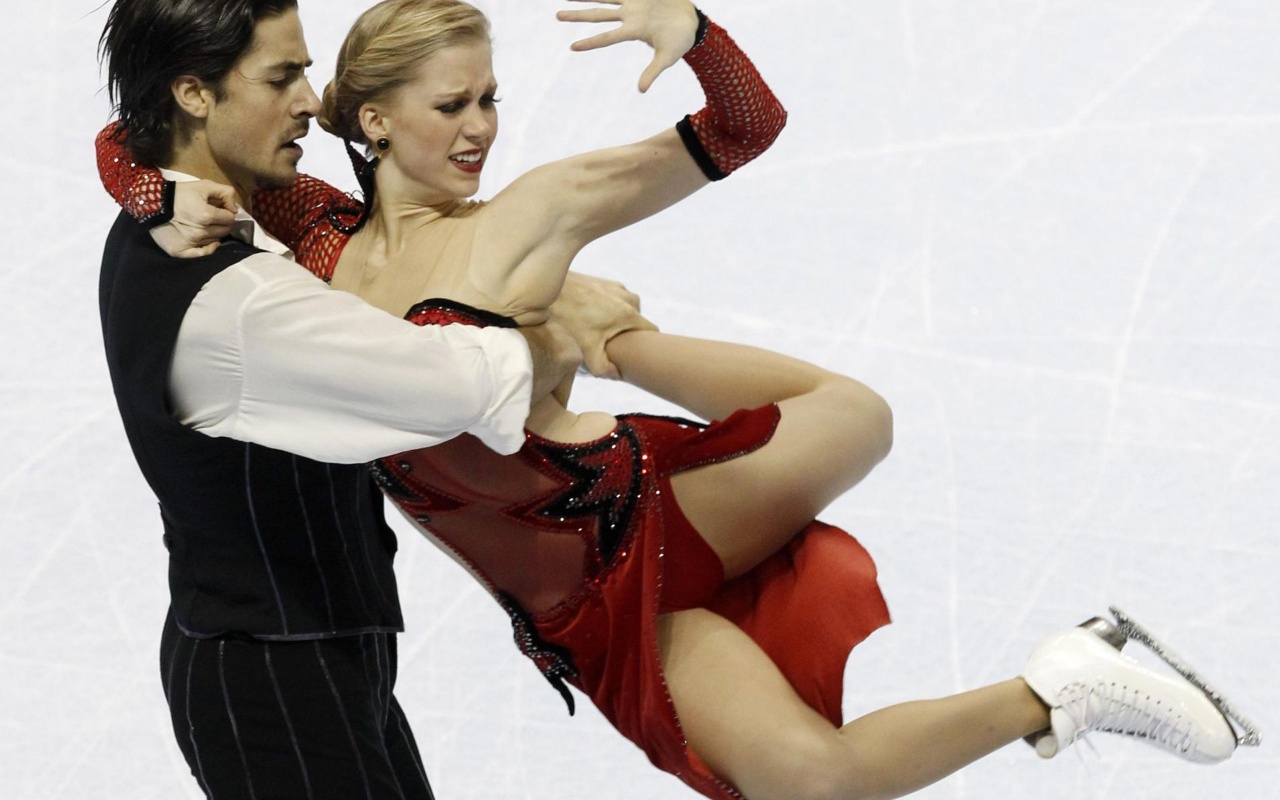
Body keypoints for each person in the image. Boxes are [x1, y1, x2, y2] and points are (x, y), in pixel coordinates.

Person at [99, 0, 1247, 798]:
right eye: (451, 103)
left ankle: (626, 342)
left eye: (489, 98)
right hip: (572, 605)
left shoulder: (535, 208)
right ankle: (1063, 682)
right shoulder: (309, 230)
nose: (481, 127)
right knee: (811, 777)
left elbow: (741, 126)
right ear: (372, 119)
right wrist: (147, 187)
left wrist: (694, 40)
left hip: (629, 509)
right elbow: (133, 132)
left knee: (858, 415)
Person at [94, 1, 650, 798]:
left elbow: (124, 140)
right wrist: (559, 324)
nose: (312, 104)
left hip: (311, 651)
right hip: (276, 673)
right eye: (282, 76)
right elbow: (458, 385)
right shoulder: (238, 299)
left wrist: (144, 187)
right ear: (193, 95)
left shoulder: (197, 214)